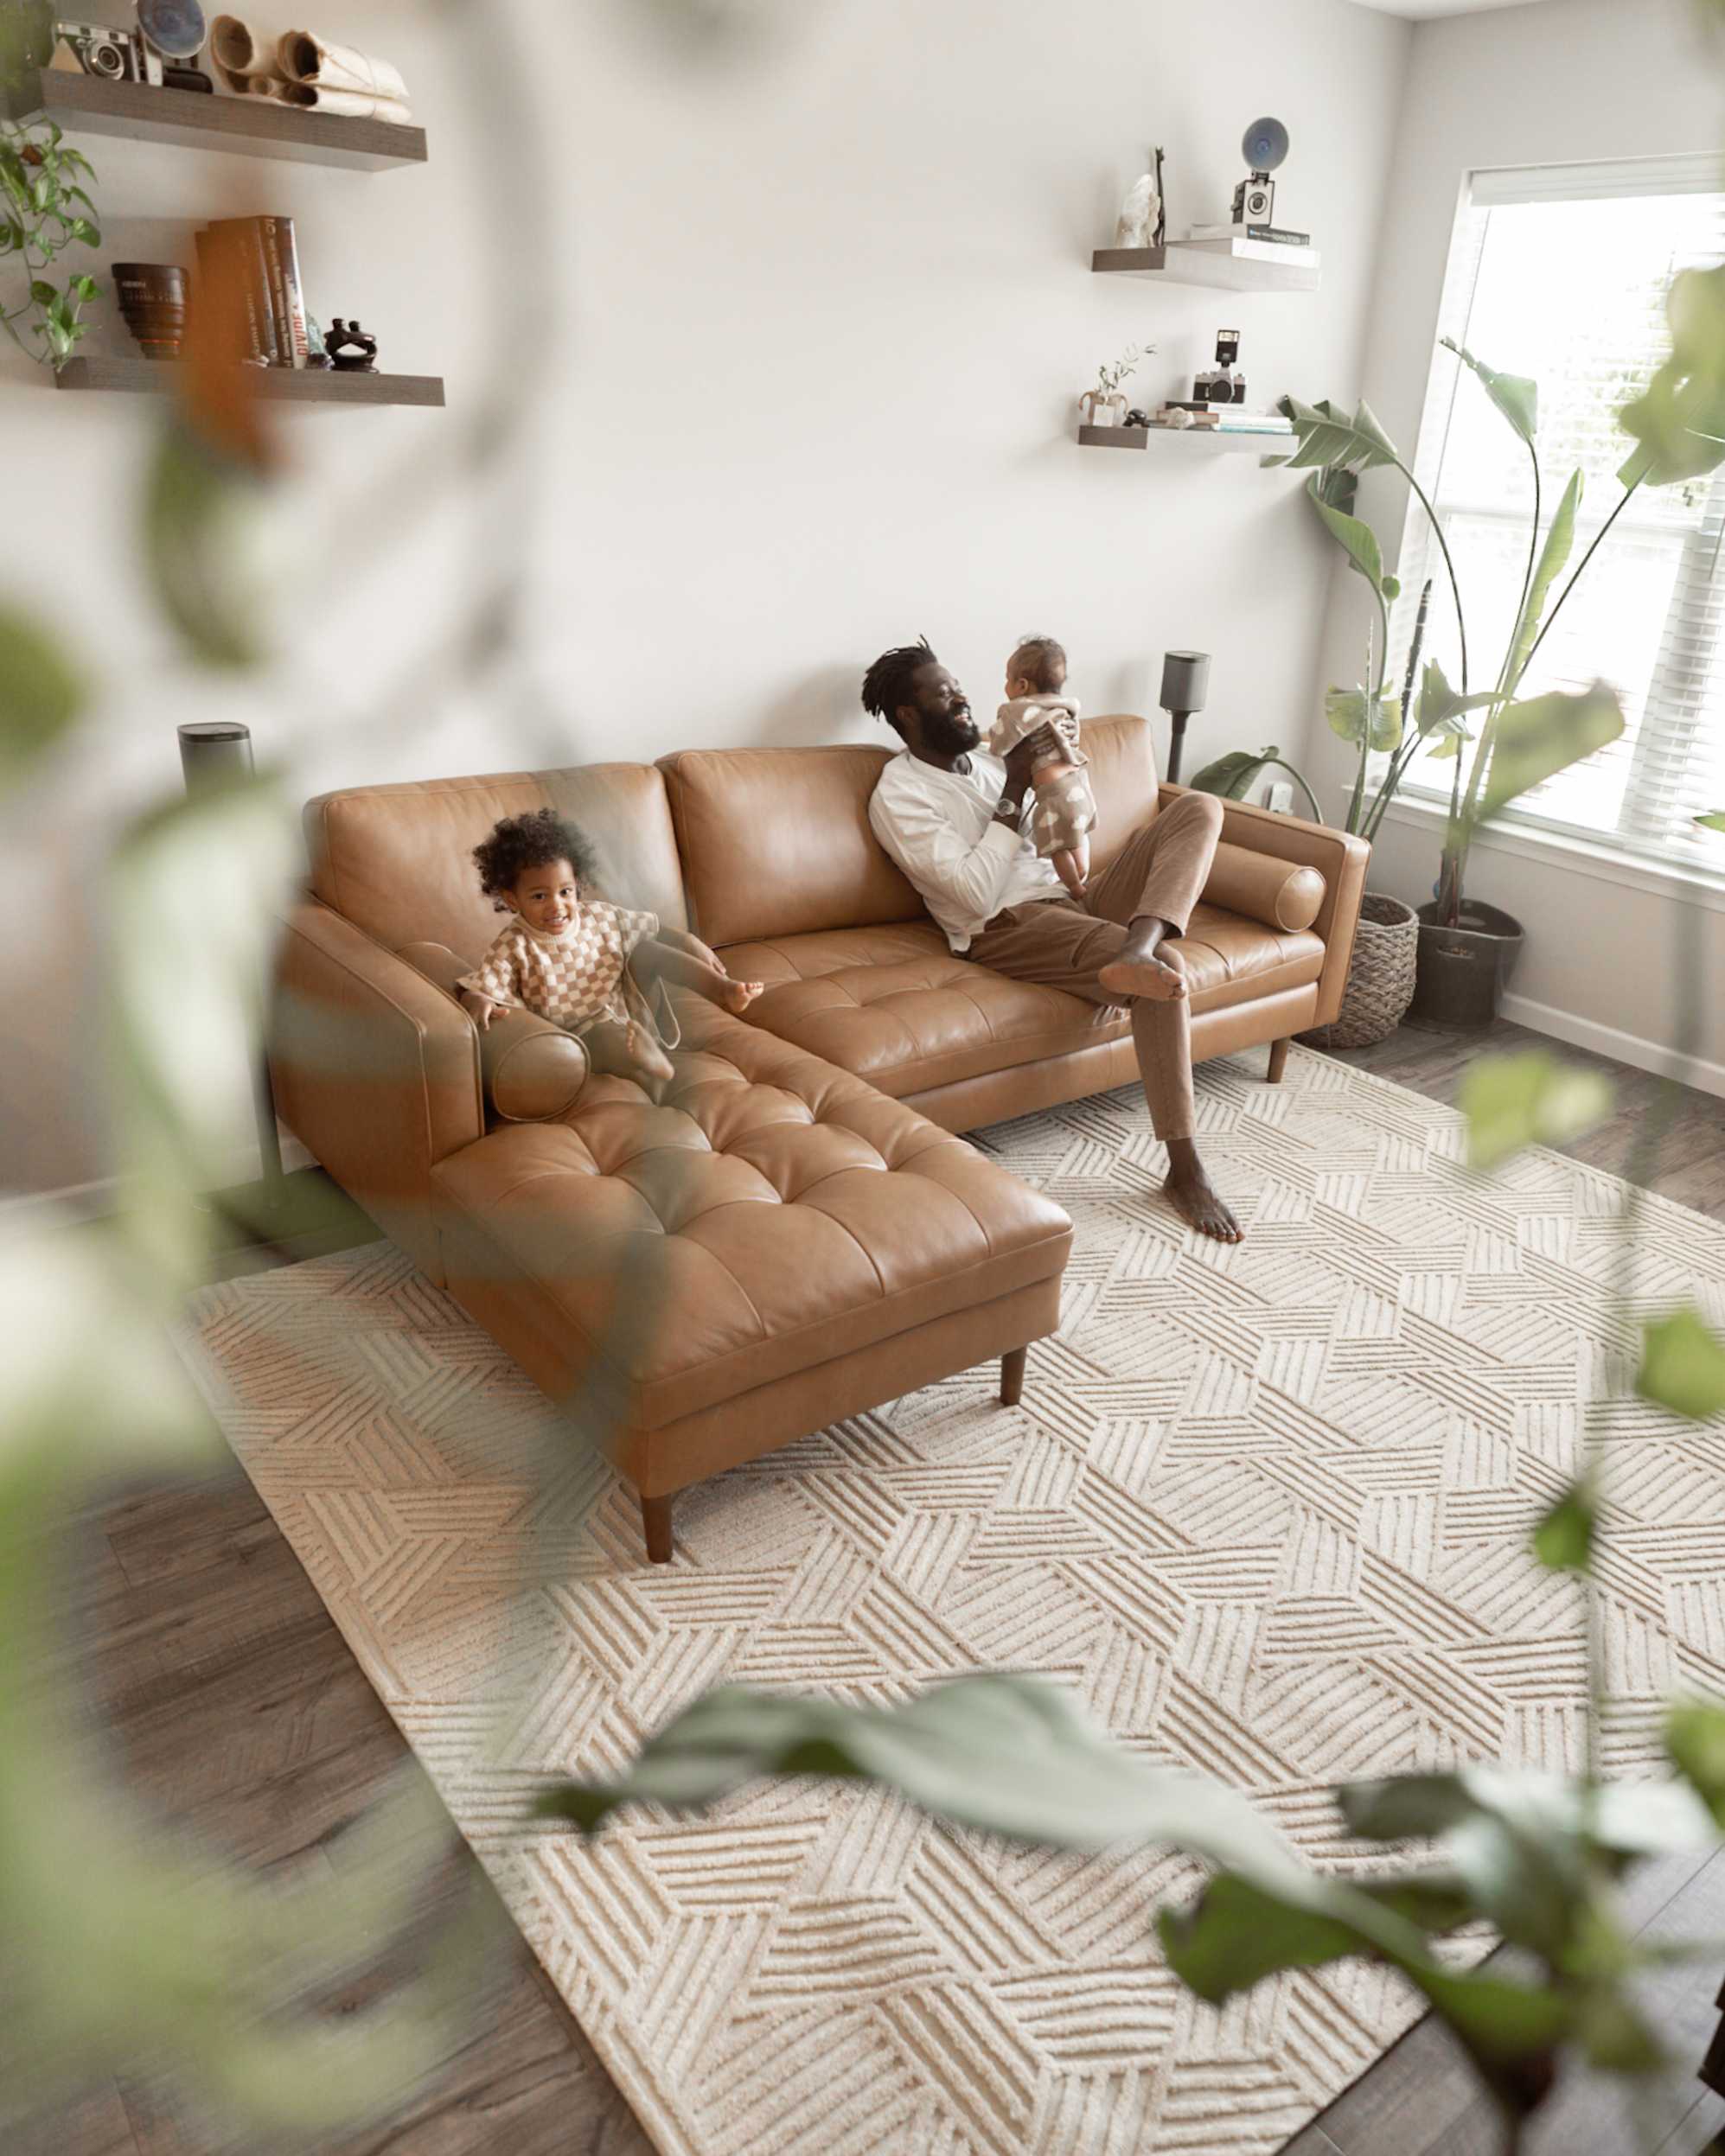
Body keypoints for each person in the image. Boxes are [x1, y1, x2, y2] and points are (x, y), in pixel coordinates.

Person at [862, 637, 1240, 1242]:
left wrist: (1057, 774)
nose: (961, 699)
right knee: (1166, 967)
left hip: (1072, 898)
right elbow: (974, 895)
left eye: (957, 686)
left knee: (1197, 808)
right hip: (1008, 925)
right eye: (942, 693)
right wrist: (1013, 788)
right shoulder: (898, 794)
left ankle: (1134, 948)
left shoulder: (988, 760)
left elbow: (1060, 820)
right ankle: (1184, 1168)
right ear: (908, 715)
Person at [456, 807, 761, 1090]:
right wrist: (478, 998)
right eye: (539, 896)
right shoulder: (514, 945)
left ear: (578, 885)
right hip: (581, 1035)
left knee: (646, 950)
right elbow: (485, 981)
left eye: (565, 892)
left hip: (631, 1009)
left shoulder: (598, 916)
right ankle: (650, 1064)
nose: (556, 905)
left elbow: (651, 927)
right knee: (603, 1038)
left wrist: (689, 941)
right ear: (512, 900)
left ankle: (723, 991)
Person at [988, 633, 1095, 899]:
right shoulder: (1065, 708)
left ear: (1022, 685)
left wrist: (995, 743)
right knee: (1076, 837)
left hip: (1055, 796)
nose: (1005, 687)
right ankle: (1082, 872)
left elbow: (999, 742)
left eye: (1007, 679)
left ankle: (1076, 888)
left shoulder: (1017, 711)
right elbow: (1073, 739)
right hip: (1080, 785)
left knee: (1057, 848)